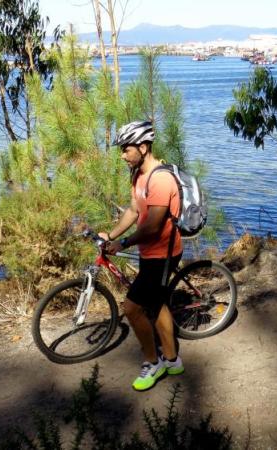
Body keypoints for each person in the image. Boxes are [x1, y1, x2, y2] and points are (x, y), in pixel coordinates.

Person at [99, 120, 185, 391]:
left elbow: (152, 226)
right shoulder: (138, 176)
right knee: (156, 304)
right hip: (150, 251)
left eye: (126, 149)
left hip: (163, 253)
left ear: (143, 147)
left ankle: (153, 362)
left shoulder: (160, 179)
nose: (123, 155)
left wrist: (123, 244)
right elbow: (134, 212)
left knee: (132, 308)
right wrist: (110, 235)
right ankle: (172, 360)